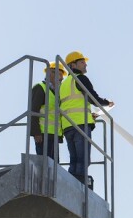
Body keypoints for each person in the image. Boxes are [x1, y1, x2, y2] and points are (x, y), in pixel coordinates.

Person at [59, 51, 114, 188]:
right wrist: (107, 103)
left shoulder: (64, 84)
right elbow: (93, 98)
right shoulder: (80, 79)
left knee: (74, 160)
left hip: (67, 125)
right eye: (82, 62)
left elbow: (72, 104)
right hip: (80, 124)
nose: (86, 64)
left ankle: (70, 185)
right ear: (73, 65)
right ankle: (79, 187)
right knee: (83, 160)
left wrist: (92, 115)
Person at [30, 62, 66, 161]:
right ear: (50, 73)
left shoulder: (57, 93)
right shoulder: (40, 88)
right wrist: (36, 133)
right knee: (46, 165)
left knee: (54, 167)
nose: (61, 78)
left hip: (54, 135)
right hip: (42, 134)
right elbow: (33, 111)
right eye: (59, 74)